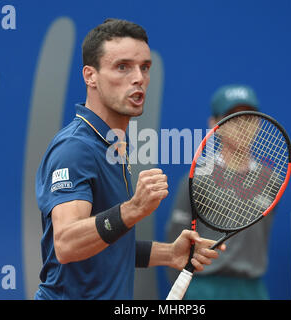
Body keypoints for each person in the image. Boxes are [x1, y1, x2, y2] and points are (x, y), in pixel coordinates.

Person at [34, 18, 225, 300]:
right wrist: (133, 209)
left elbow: (108, 245)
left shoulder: (113, 143)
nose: (138, 78)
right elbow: (66, 243)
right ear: (90, 76)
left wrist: (169, 253)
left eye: (144, 67)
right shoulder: (75, 149)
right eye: (122, 67)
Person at [166, 84, 274, 300]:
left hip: (252, 290)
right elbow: (175, 241)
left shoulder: (271, 179)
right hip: (204, 289)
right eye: (233, 117)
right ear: (215, 124)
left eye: (249, 117)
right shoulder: (197, 179)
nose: (242, 124)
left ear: (259, 123)